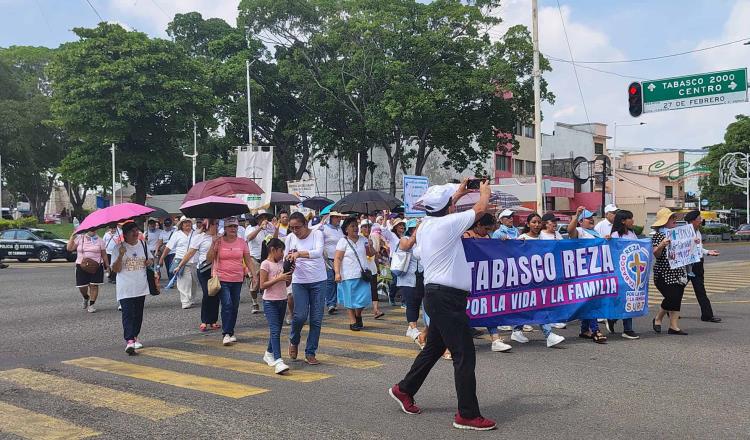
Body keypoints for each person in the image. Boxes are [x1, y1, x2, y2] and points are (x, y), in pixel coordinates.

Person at [389, 178, 497, 431]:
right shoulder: (447, 224)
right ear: (447, 206)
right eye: (451, 201)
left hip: (440, 296)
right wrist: (484, 191)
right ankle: (467, 415)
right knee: (464, 354)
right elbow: (480, 210)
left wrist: (457, 194)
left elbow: (442, 210)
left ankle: (404, 389)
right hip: (446, 298)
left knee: (434, 348)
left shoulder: (427, 224)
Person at [511, 213, 565, 348]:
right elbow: (512, 255)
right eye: (534, 222)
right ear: (528, 224)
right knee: (538, 304)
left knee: (531, 305)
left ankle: (517, 330)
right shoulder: (522, 238)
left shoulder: (543, 238)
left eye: (539, 222)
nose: (536, 225)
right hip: (526, 280)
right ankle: (548, 335)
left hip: (542, 278)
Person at [461, 214, 513, 353]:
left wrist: (500, 243)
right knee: (464, 310)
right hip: (467, 280)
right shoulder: (465, 236)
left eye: (490, 229)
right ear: (477, 225)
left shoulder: (488, 238)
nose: (488, 232)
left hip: (484, 281)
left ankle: (495, 339)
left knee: (489, 308)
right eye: (486, 228)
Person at [285, 211, 326, 365]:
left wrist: (299, 254)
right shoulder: (290, 238)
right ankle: (294, 339)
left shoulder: (316, 235)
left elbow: (318, 252)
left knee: (316, 319)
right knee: (300, 315)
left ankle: (310, 352)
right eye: (292, 228)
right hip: (299, 281)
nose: (295, 231)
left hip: (318, 281)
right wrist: (289, 263)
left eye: (298, 227)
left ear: (306, 224)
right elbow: (285, 257)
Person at [208, 217, 255, 346]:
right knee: (227, 304)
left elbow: (248, 260)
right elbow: (209, 258)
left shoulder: (242, 242)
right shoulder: (219, 241)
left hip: (237, 278)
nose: (233, 229)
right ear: (225, 229)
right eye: (230, 227)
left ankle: (231, 331)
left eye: (235, 226)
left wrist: (254, 275)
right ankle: (226, 333)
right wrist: (213, 244)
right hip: (222, 277)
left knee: (234, 306)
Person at [567, 206, 607, 343]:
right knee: (591, 300)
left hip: (597, 270)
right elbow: (570, 231)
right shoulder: (579, 231)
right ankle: (595, 330)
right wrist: (576, 214)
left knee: (589, 300)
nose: (591, 220)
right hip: (584, 272)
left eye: (592, 217)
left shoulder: (595, 232)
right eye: (588, 218)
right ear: (581, 221)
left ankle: (584, 329)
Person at [111, 221, 152, 355]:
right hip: (125, 287)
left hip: (141, 285)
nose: (135, 233)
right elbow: (115, 269)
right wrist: (121, 255)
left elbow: (151, 260)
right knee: (127, 314)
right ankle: (129, 341)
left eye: (137, 230)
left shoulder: (143, 244)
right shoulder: (118, 248)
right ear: (125, 234)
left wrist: (149, 262)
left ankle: (135, 336)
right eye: (132, 231)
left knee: (138, 314)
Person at [603, 209, 641, 339]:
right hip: (619, 273)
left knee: (630, 298)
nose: (633, 220)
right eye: (630, 218)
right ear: (623, 221)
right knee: (625, 299)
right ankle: (627, 329)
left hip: (632, 272)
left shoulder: (632, 234)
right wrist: (607, 240)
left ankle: (613, 319)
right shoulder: (614, 235)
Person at [651, 208, 689, 335]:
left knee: (677, 298)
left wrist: (693, 244)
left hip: (678, 271)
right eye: (671, 218)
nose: (674, 220)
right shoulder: (658, 235)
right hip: (663, 272)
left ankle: (673, 326)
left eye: (674, 217)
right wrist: (662, 245)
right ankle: (658, 318)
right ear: (664, 221)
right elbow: (656, 254)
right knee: (671, 297)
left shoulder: (678, 234)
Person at [334, 216, 375, 331]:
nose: (355, 228)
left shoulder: (363, 240)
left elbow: (371, 254)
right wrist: (337, 273)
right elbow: (337, 258)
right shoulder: (343, 241)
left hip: (363, 275)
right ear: (346, 229)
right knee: (350, 300)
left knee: (364, 299)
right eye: (352, 226)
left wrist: (371, 245)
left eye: (356, 226)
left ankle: (358, 314)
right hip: (348, 275)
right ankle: (353, 320)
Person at [181, 219, 220, 332]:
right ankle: (204, 320)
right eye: (213, 224)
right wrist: (180, 265)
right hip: (203, 269)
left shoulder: (220, 236)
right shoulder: (200, 237)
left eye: (217, 224)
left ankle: (213, 320)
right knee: (207, 293)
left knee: (216, 293)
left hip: (216, 269)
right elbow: (190, 253)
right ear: (207, 226)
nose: (216, 226)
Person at [260, 237, 292, 374]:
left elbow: (286, 284)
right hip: (270, 302)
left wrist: (288, 277)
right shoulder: (265, 264)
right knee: (274, 330)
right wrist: (278, 278)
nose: (282, 254)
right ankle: (278, 360)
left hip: (282, 300)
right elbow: (263, 285)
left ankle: (269, 353)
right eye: (281, 251)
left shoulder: (281, 264)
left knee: (277, 330)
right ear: (273, 250)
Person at [683, 210, 721, 323]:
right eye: (699, 219)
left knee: (700, 290)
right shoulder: (684, 233)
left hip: (698, 264)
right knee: (677, 290)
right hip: (687, 265)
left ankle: (707, 315)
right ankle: (670, 311)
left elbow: (699, 248)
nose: (700, 221)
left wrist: (708, 252)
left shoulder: (698, 231)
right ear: (692, 221)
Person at [160, 216, 198, 309]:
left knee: (194, 282)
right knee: (184, 282)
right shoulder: (176, 234)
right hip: (181, 260)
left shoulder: (196, 233)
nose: (187, 224)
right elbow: (168, 247)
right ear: (181, 225)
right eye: (185, 223)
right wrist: (162, 258)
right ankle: (185, 301)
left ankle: (191, 299)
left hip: (194, 261)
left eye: (189, 222)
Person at [67, 230, 109, 313]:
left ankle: (92, 305)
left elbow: (104, 254)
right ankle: (86, 297)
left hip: (96, 265)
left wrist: (107, 265)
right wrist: (72, 236)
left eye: (94, 228)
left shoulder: (100, 240)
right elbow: (69, 248)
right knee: (82, 286)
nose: (92, 230)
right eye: (90, 228)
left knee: (94, 285)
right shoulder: (80, 238)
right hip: (81, 265)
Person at [539, 212, 566, 330]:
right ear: (545, 223)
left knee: (556, 294)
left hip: (557, 268)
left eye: (556, 221)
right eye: (552, 221)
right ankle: (548, 319)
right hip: (545, 269)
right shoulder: (541, 235)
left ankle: (555, 318)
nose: (555, 224)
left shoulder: (557, 234)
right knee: (547, 295)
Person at [319, 212, 346, 314]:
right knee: (330, 281)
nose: (339, 219)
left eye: (340, 217)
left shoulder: (340, 229)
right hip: (328, 259)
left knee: (339, 280)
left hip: (340, 259)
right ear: (331, 218)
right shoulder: (324, 228)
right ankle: (331, 304)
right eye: (337, 217)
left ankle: (340, 301)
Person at [246, 213, 273, 314]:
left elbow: (274, 239)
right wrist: (260, 228)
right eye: (261, 218)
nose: (263, 219)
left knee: (267, 283)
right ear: (257, 219)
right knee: (255, 284)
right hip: (254, 259)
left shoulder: (268, 228)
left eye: (265, 217)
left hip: (266, 259)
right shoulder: (251, 228)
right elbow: (249, 238)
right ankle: (254, 302)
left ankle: (268, 304)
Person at [360, 220, 385, 319]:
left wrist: (378, 266)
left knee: (374, 289)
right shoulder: (358, 239)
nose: (367, 229)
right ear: (361, 228)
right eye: (365, 227)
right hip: (363, 269)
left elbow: (375, 254)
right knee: (363, 291)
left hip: (372, 267)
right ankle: (358, 311)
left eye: (369, 227)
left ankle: (376, 310)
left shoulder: (373, 238)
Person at [381, 218, 408, 306]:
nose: (402, 227)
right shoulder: (392, 235)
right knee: (395, 280)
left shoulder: (405, 236)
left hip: (404, 260)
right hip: (395, 259)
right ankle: (391, 296)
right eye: (400, 225)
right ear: (396, 227)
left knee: (404, 279)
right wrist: (385, 217)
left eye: (403, 225)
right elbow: (383, 230)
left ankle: (404, 301)